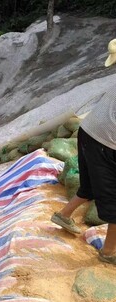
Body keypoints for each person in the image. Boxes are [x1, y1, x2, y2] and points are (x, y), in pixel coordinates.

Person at [51, 38, 116, 265]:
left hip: (87, 133)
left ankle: (63, 215)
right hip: (105, 143)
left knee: (89, 186)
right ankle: (108, 253)